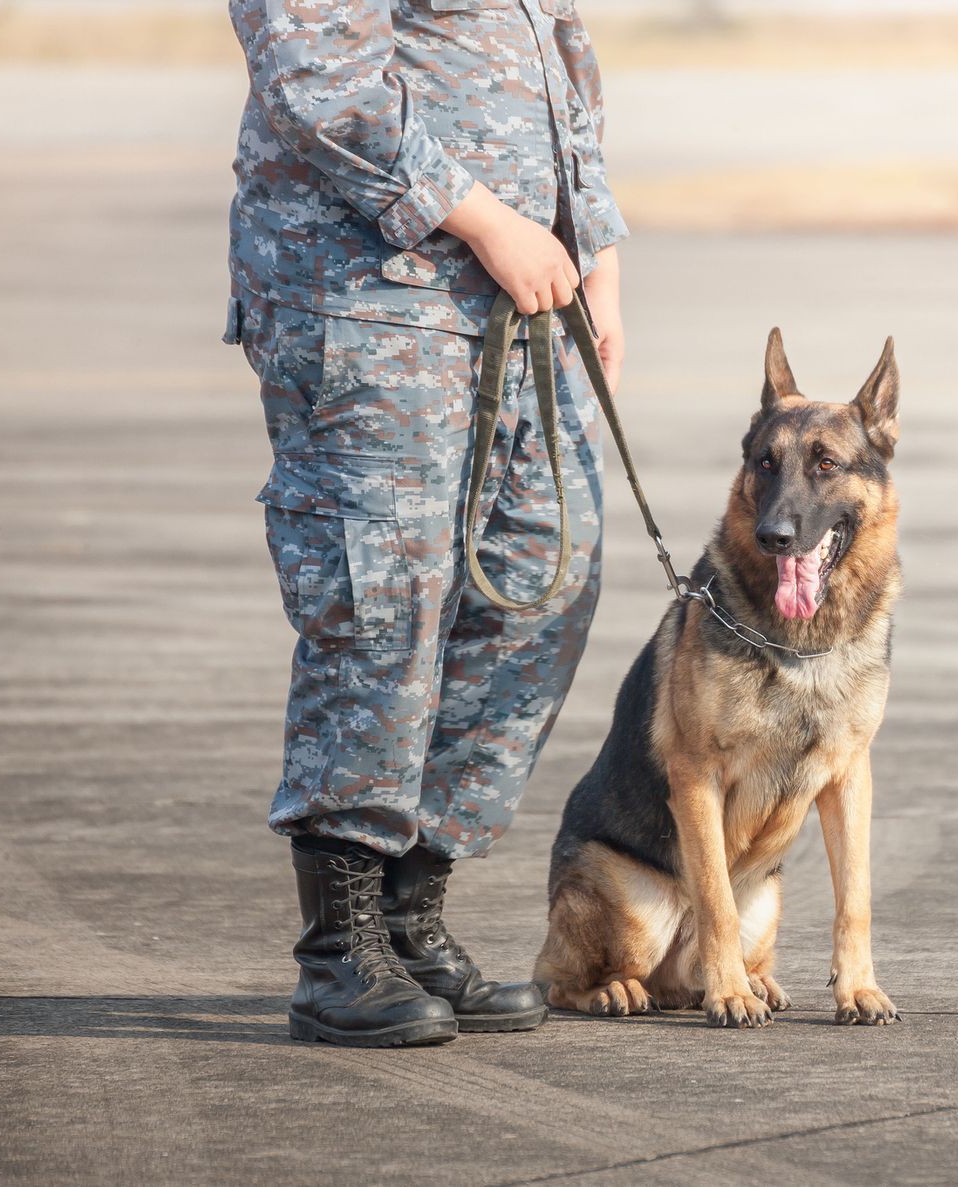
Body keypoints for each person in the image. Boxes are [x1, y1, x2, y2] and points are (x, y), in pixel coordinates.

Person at [223, 0, 628, 1048]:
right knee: (384, 594)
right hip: (370, 293)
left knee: (548, 565)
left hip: (525, 296)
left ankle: (412, 905)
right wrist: (489, 222)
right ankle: (340, 943)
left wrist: (597, 254)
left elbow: (562, 65)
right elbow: (320, 78)